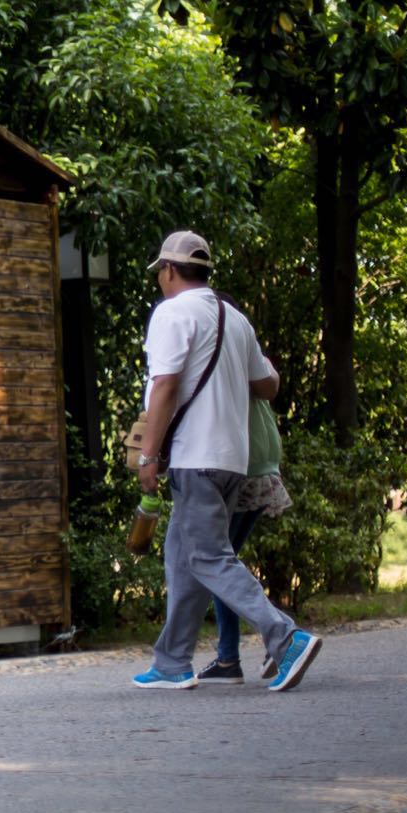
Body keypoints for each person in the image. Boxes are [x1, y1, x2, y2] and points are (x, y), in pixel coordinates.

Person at [130, 230, 321, 693]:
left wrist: (148, 454)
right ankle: (172, 661)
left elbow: (166, 387)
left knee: (209, 556)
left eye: (160, 272)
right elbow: (268, 385)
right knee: (182, 554)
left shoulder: (171, 313)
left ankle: (285, 637)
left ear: (169, 270)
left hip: (194, 457)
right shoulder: (235, 319)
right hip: (233, 459)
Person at [197, 392, 294, 683]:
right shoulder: (244, 347)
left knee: (217, 563)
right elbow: (272, 382)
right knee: (223, 561)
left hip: (240, 461)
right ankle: (230, 656)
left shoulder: (224, 346)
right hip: (261, 457)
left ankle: (286, 636)